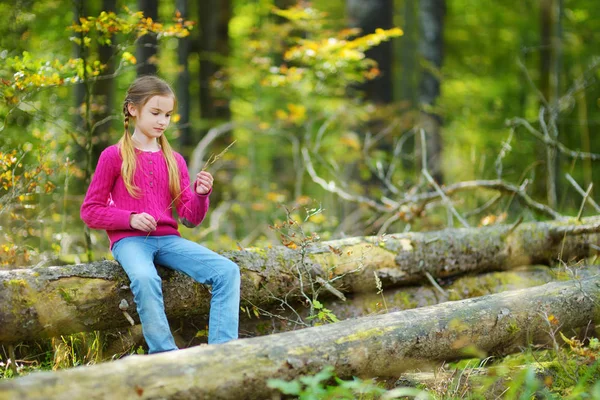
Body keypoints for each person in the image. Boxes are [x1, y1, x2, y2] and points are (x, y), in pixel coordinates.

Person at [81, 75, 240, 354]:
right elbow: (90, 211)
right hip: (130, 242)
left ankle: (222, 352)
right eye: (155, 113)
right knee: (144, 277)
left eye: (167, 115)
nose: (162, 121)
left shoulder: (174, 159)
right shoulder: (114, 155)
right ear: (133, 110)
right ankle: (165, 356)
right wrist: (129, 219)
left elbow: (189, 218)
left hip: (168, 241)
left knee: (227, 271)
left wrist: (201, 194)